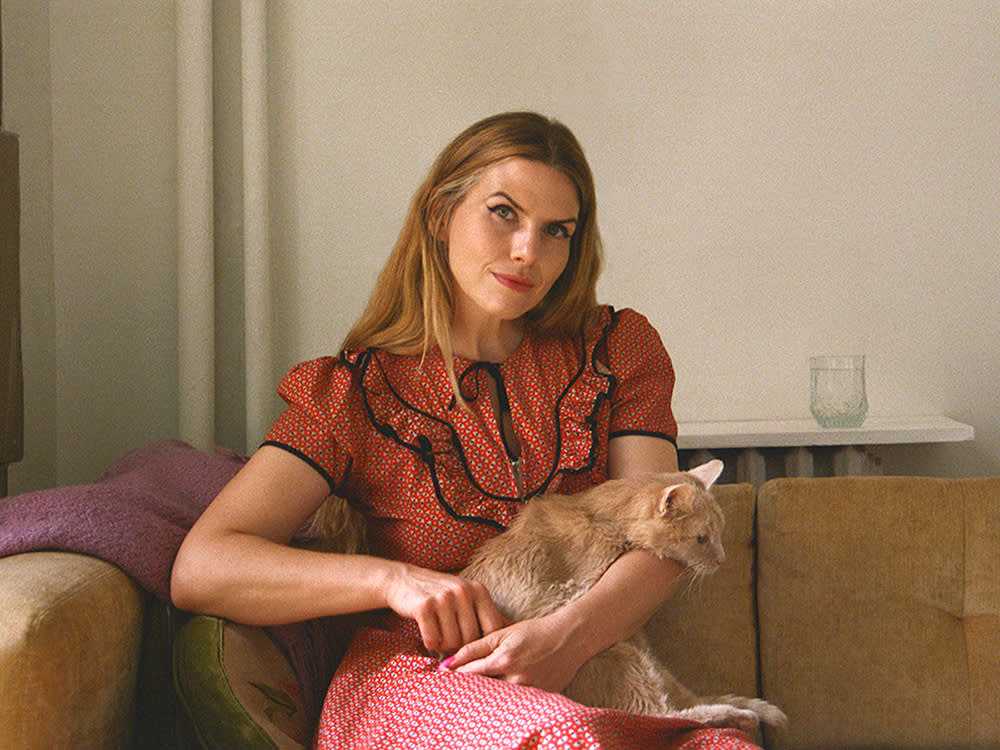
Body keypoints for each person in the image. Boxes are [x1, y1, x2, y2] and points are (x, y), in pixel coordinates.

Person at [171, 112, 759, 749]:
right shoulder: (352, 392)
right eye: (504, 213)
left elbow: (666, 538)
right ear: (439, 215)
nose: (528, 252)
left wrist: (567, 638)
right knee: (564, 738)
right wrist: (393, 580)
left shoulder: (618, 351)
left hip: (590, 670)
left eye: (556, 230)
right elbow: (204, 566)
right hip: (423, 680)